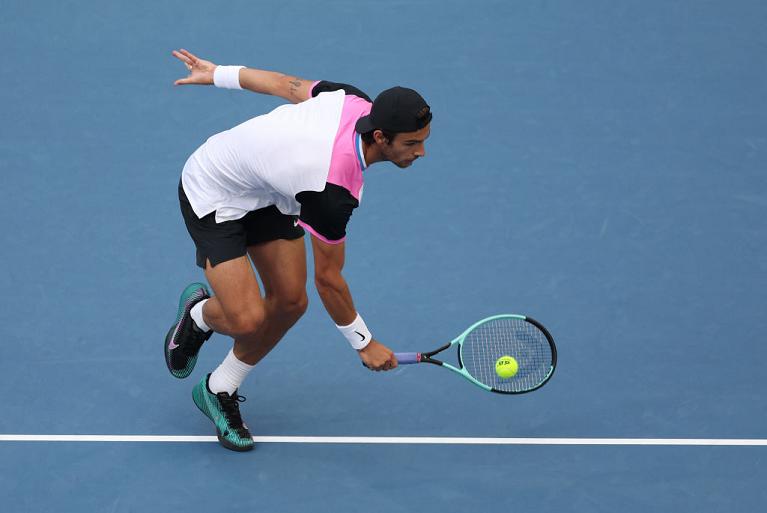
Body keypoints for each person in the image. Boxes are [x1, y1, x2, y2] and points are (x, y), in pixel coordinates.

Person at [164, 49, 432, 451]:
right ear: (380, 136)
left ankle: (219, 388)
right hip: (215, 188)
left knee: (290, 302)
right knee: (248, 318)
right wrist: (364, 342)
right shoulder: (331, 192)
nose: (421, 152)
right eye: (412, 143)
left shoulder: (355, 101)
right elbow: (330, 279)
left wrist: (218, 72)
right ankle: (198, 314)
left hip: (273, 191)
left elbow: (285, 85)